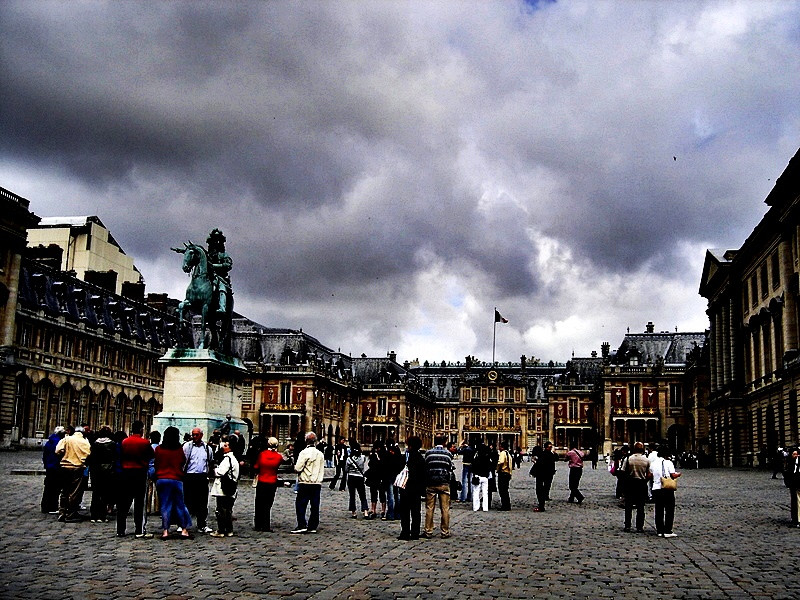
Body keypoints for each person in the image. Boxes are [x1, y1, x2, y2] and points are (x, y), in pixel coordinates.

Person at [154, 426, 193, 539]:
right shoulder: (178, 449)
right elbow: (182, 462)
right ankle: (184, 529)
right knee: (180, 505)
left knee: (165, 505)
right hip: (176, 479)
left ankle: (166, 531)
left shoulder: (159, 449)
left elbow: (156, 463)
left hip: (162, 478)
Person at [116, 420, 154, 538]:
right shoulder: (145, 443)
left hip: (126, 473)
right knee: (139, 503)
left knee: (123, 503)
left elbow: (120, 456)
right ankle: (139, 530)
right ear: (141, 429)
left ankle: (120, 530)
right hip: (140, 473)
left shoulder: (125, 442)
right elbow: (151, 456)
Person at [55, 425, 91, 522]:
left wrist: (64, 456)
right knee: (74, 492)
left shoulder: (67, 439)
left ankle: (62, 512)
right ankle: (71, 513)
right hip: (78, 468)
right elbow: (88, 454)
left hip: (65, 467)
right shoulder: (85, 442)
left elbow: (58, 450)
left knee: (64, 490)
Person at [182, 427, 215, 533]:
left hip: (202, 477)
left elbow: (210, 461)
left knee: (202, 502)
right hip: (189, 476)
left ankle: (202, 524)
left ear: (201, 435)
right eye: (193, 435)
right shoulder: (187, 446)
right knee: (187, 501)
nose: (194, 437)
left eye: (197, 435)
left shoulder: (207, 448)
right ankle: (184, 524)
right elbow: (183, 460)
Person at [292, 432, 324, 534]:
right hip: (317, 483)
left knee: (301, 504)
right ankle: (313, 526)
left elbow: (298, 468)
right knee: (315, 506)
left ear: (306, 441)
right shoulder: (320, 454)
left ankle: (302, 524)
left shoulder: (304, 453)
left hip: (305, 482)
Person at [253, 436, 287, 532]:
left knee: (259, 503)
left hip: (262, 480)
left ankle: (258, 524)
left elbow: (256, 466)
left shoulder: (262, 454)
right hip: (272, 481)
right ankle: (266, 525)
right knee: (268, 504)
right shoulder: (278, 457)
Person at [422, 435, 453, 539]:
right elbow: (450, 467)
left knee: (430, 508)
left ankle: (428, 531)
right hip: (444, 483)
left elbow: (425, 466)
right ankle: (445, 531)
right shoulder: (448, 453)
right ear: (444, 442)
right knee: (445, 508)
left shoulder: (428, 453)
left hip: (431, 483)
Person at [649, 445, 681, 537]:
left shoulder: (653, 463)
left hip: (656, 488)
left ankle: (659, 530)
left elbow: (650, 475)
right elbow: (672, 475)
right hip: (666, 488)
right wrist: (678, 474)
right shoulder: (668, 462)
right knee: (669, 510)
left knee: (658, 509)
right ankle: (667, 530)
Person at [210, 439, 240, 537]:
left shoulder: (228, 459)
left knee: (221, 509)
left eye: (226, 445)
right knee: (228, 510)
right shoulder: (234, 459)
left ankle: (221, 530)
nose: (224, 447)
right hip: (231, 486)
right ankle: (229, 529)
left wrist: (214, 470)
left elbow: (220, 472)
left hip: (224, 487)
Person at [397, 436, 425, 540]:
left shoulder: (405, 458)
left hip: (405, 487)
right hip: (416, 489)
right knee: (416, 512)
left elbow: (399, 470)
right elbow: (423, 475)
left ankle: (405, 532)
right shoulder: (421, 458)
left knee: (405, 511)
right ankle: (415, 533)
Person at [89, 426, 117, 523]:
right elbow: (114, 458)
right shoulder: (112, 444)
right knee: (105, 493)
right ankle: (102, 515)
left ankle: (93, 515)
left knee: (96, 493)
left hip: (96, 470)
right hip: (107, 470)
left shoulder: (95, 444)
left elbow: (91, 457)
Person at [623, 442, 650, 532]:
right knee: (641, 506)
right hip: (641, 484)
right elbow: (649, 474)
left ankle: (627, 525)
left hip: (630, 484)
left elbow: (623, 471)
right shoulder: (646, 460)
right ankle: (639, 527)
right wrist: (645, 480)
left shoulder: (629, 459)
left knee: (628, 506)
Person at [41, 426, 65, 514]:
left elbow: (44, 456)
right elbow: (59, 454)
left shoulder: (49, 442)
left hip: (49, 467)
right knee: (55, 489)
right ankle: (52, 507)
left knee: (48, 487)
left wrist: (46, 465)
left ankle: (45, 506)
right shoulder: (59, 442)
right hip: (56, 467)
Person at [345, 443, 369, 519]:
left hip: (351, 477)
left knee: (352, 495)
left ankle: (354, 512)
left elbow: (346, 469)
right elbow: (364, 467)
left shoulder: (349, 459)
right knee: (362, 495)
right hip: (360, 477)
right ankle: (365, 512)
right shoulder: (363, 457)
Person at [533, 442, 557, 512]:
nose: (550, 448)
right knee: (541, 490)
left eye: (551, 447)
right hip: (543, 474)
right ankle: (541, 504)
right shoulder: (544, 454)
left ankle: (541, 505)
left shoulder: (549, 454)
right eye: (549, 447)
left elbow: (556, 459)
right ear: (546, 447)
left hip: (545, 475)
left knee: (541, 490)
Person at [471, 441, 491, 512]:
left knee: (476, 492)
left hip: (478, 476)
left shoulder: (476, 457)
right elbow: (489, 467)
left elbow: (473, 466)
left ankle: (476, 507)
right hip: (485, 477)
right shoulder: (487, 457)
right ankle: (485, 507)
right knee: (485, 493)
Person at [784, 447, 800, 528]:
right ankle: (795, 518)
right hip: (793, 485)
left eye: (797, 454)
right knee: (794, 502)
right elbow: (786, 473)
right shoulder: (790, 463)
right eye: (794, 454)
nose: (796, 456)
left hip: (797, 484)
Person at [497, 441, 513, 511]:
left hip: (503, 473)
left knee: (502, 490)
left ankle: (504, 506)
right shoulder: (508, 454)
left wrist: (497, 468)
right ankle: (507, 505)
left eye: (500, 446)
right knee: (505, 490)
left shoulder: (503, 453)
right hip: (508, 473)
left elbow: (501, 462)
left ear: (502, 447)